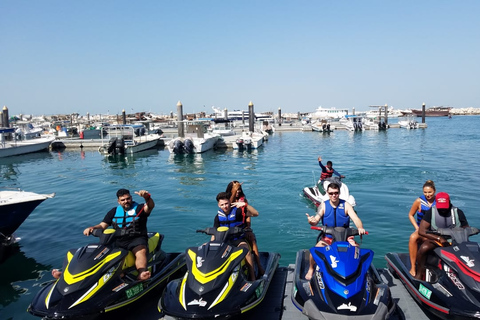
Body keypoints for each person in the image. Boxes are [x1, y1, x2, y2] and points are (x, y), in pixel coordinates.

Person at [52, 189, 155, 281]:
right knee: (98, 255)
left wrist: (147, 197)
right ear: (118, 201)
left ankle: (141, 273)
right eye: (123, 200)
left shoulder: (139, 208)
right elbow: (102, 225)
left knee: (140, 252)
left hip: (136, 239)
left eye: (128, 198)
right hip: (118, 240)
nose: (126, 201)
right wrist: (92, 228)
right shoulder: (113, 211)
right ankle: (68, 276)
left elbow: (150, 206)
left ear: (131, 198)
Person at [304, 183, 366, 281]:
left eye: (336, 193)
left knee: (357, 251)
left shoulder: (346, 205)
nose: (334, 195)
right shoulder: (324, 205)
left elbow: (355, 218)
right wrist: (312, 221)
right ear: (328, 193)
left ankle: (358, 273)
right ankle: (311, 269)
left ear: (339, 193)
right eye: (331, 193)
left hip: (345, 237)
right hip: (328, 237)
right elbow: (316, 219)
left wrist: (360, 227)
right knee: (314, 251)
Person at [415, 192, 469, 280]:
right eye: (441, 207)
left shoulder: (458, 212)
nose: (443, 210)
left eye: (445, 207)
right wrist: (439, 238)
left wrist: (465, 231)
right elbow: (422, 231)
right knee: (424, 248)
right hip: (436, 239)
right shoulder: (431, 212)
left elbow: (466, 227)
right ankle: (419, 273)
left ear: (449, 202)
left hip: (455, 239)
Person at [213, 191, 258, 281]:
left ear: (230, 202)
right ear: (219, 205)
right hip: (224, 241)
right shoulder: (218, 217)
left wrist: (245, 204)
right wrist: (213, 244)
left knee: (246, 252)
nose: (225, 206)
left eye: (226, 203)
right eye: (222, 205)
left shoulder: (238, 212)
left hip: (238, 240)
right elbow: (215, 232)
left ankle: (252, 277)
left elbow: (255, 213)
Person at [226, 181, 264, 277]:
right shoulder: (226, 201)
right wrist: (234, 191)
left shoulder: (243, 201)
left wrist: (248, 228)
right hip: (228, 231)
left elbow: (248, 215)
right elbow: (228, 207)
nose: (238, 191)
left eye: (239, 189)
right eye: (236, 189)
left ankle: (258, 268)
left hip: (241, 230)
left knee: (252, 240)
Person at [407, 180, 436, 277]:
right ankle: (412, 267)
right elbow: (411, 215)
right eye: (425, 192)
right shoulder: (419, 201)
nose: (428, 194)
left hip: (434, 230)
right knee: (413, 238)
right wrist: (417, 227)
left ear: (434, 191)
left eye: (430, 192)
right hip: (422, 230)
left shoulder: (438, 201)